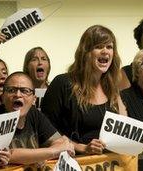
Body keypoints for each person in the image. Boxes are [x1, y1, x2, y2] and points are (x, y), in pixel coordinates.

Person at [41, 25, 127, 155]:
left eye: (109, 47)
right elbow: (46, 133)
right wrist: (82, 148)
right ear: (85, 52)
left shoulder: (112, 88)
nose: (105, 51)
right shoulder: (62, 84)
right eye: (98, 46)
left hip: (107, 163)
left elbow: (123, 131)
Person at [0, 72, 74, 166]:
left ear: (34, 99)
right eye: (11, 90)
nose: (18, 95)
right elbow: (10, 155)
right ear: (3, 97)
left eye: (25, 91)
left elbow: (60, 142)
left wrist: (40, 155)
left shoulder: (34, 114)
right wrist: (52, 152)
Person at [0, 33, 51, 108]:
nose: (40, 62)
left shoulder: (55, 89)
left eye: (44, 59)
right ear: (27, 66)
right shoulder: (18, 91)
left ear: (48, 65)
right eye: (34, 59)